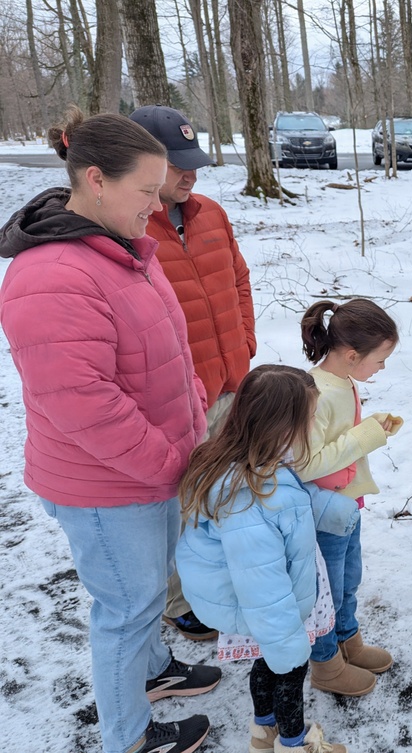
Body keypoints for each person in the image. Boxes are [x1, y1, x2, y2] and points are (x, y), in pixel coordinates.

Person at [0, 107, 221, 753]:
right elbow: (84, 404)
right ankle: (130, 736)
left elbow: (166, 353)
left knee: (147, 593)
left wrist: (196, 411)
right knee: (126, 610)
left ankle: (156, 672)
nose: (157, 207)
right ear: (96, 178)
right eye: (147, 191)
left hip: (148, 467)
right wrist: (170, 462)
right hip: (105, 485)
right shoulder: (51, 275)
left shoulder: (119, 246)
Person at [175, 364, 355, 753]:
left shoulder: (254, 461)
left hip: (261, 602)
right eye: (309, 419)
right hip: (268, 608)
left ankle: (264, 732)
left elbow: (288, 503)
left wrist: (327, 509)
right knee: (288, 671)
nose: (312, 427)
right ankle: (293, 745)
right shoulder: (248, 498)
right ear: (283, 425)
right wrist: (287, 641)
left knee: (265, 664)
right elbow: (262, 583)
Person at [130, 104, 257, 642]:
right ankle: (182, 600)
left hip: (231, 382)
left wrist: (245, 344)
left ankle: (222, 578)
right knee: (182, 501)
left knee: (228, 492)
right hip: (182, 395)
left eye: (193, 161)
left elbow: (240, 281)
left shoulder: (211, 213)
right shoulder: (130, 228)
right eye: (177, 164)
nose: (191, 174)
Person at [297, 300, 402, 697]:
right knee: (327, 591)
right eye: (380, 360)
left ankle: (348, 641)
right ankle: (326, 663)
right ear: (353, 354)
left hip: (346, 506)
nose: (382, 368)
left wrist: (370, 427)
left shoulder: (343, 383)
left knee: (349, 580)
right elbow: (308, 463)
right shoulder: (316, 393)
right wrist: (364, 435)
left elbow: (341, 442)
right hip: (324, 514)